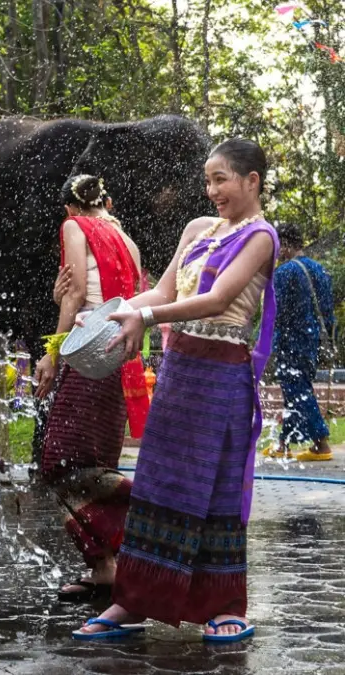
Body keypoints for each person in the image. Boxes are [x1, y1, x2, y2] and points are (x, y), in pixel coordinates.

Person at [73, 138, 279, 642]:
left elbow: (217, 299)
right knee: (158, 483)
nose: (212, 191)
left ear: (252, 181)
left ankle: (224, 604)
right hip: (180, 369)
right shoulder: (197, 230)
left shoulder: (262, 237)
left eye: (222, 180)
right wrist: (110, 313)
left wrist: (142, 317)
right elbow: (164, 293)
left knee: (214, 487)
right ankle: (133, 600)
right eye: (208, 180)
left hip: (222, 374)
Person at [33, 175, 148, 604]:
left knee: (59, 462)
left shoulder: (73, 227)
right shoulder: (128, 239)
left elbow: (78, 294)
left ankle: (151, 507)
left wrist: (52, 352)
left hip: (88, 358)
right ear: (108, 201)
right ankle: (104, 568)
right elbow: (119, 299)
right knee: (94, 459)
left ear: (69, 208)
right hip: (118, 363)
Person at [272, 222, 335, 461]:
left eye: (278, 246)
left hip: (291, 340)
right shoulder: (318, 269)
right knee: (297, 390)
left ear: (286, 244)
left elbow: (276, 313)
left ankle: (321, 442)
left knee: (296, 389)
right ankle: (284, 443)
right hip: (312, 340)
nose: (277, 252)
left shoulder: (284, 272)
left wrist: (266, 342)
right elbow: (327, 310)